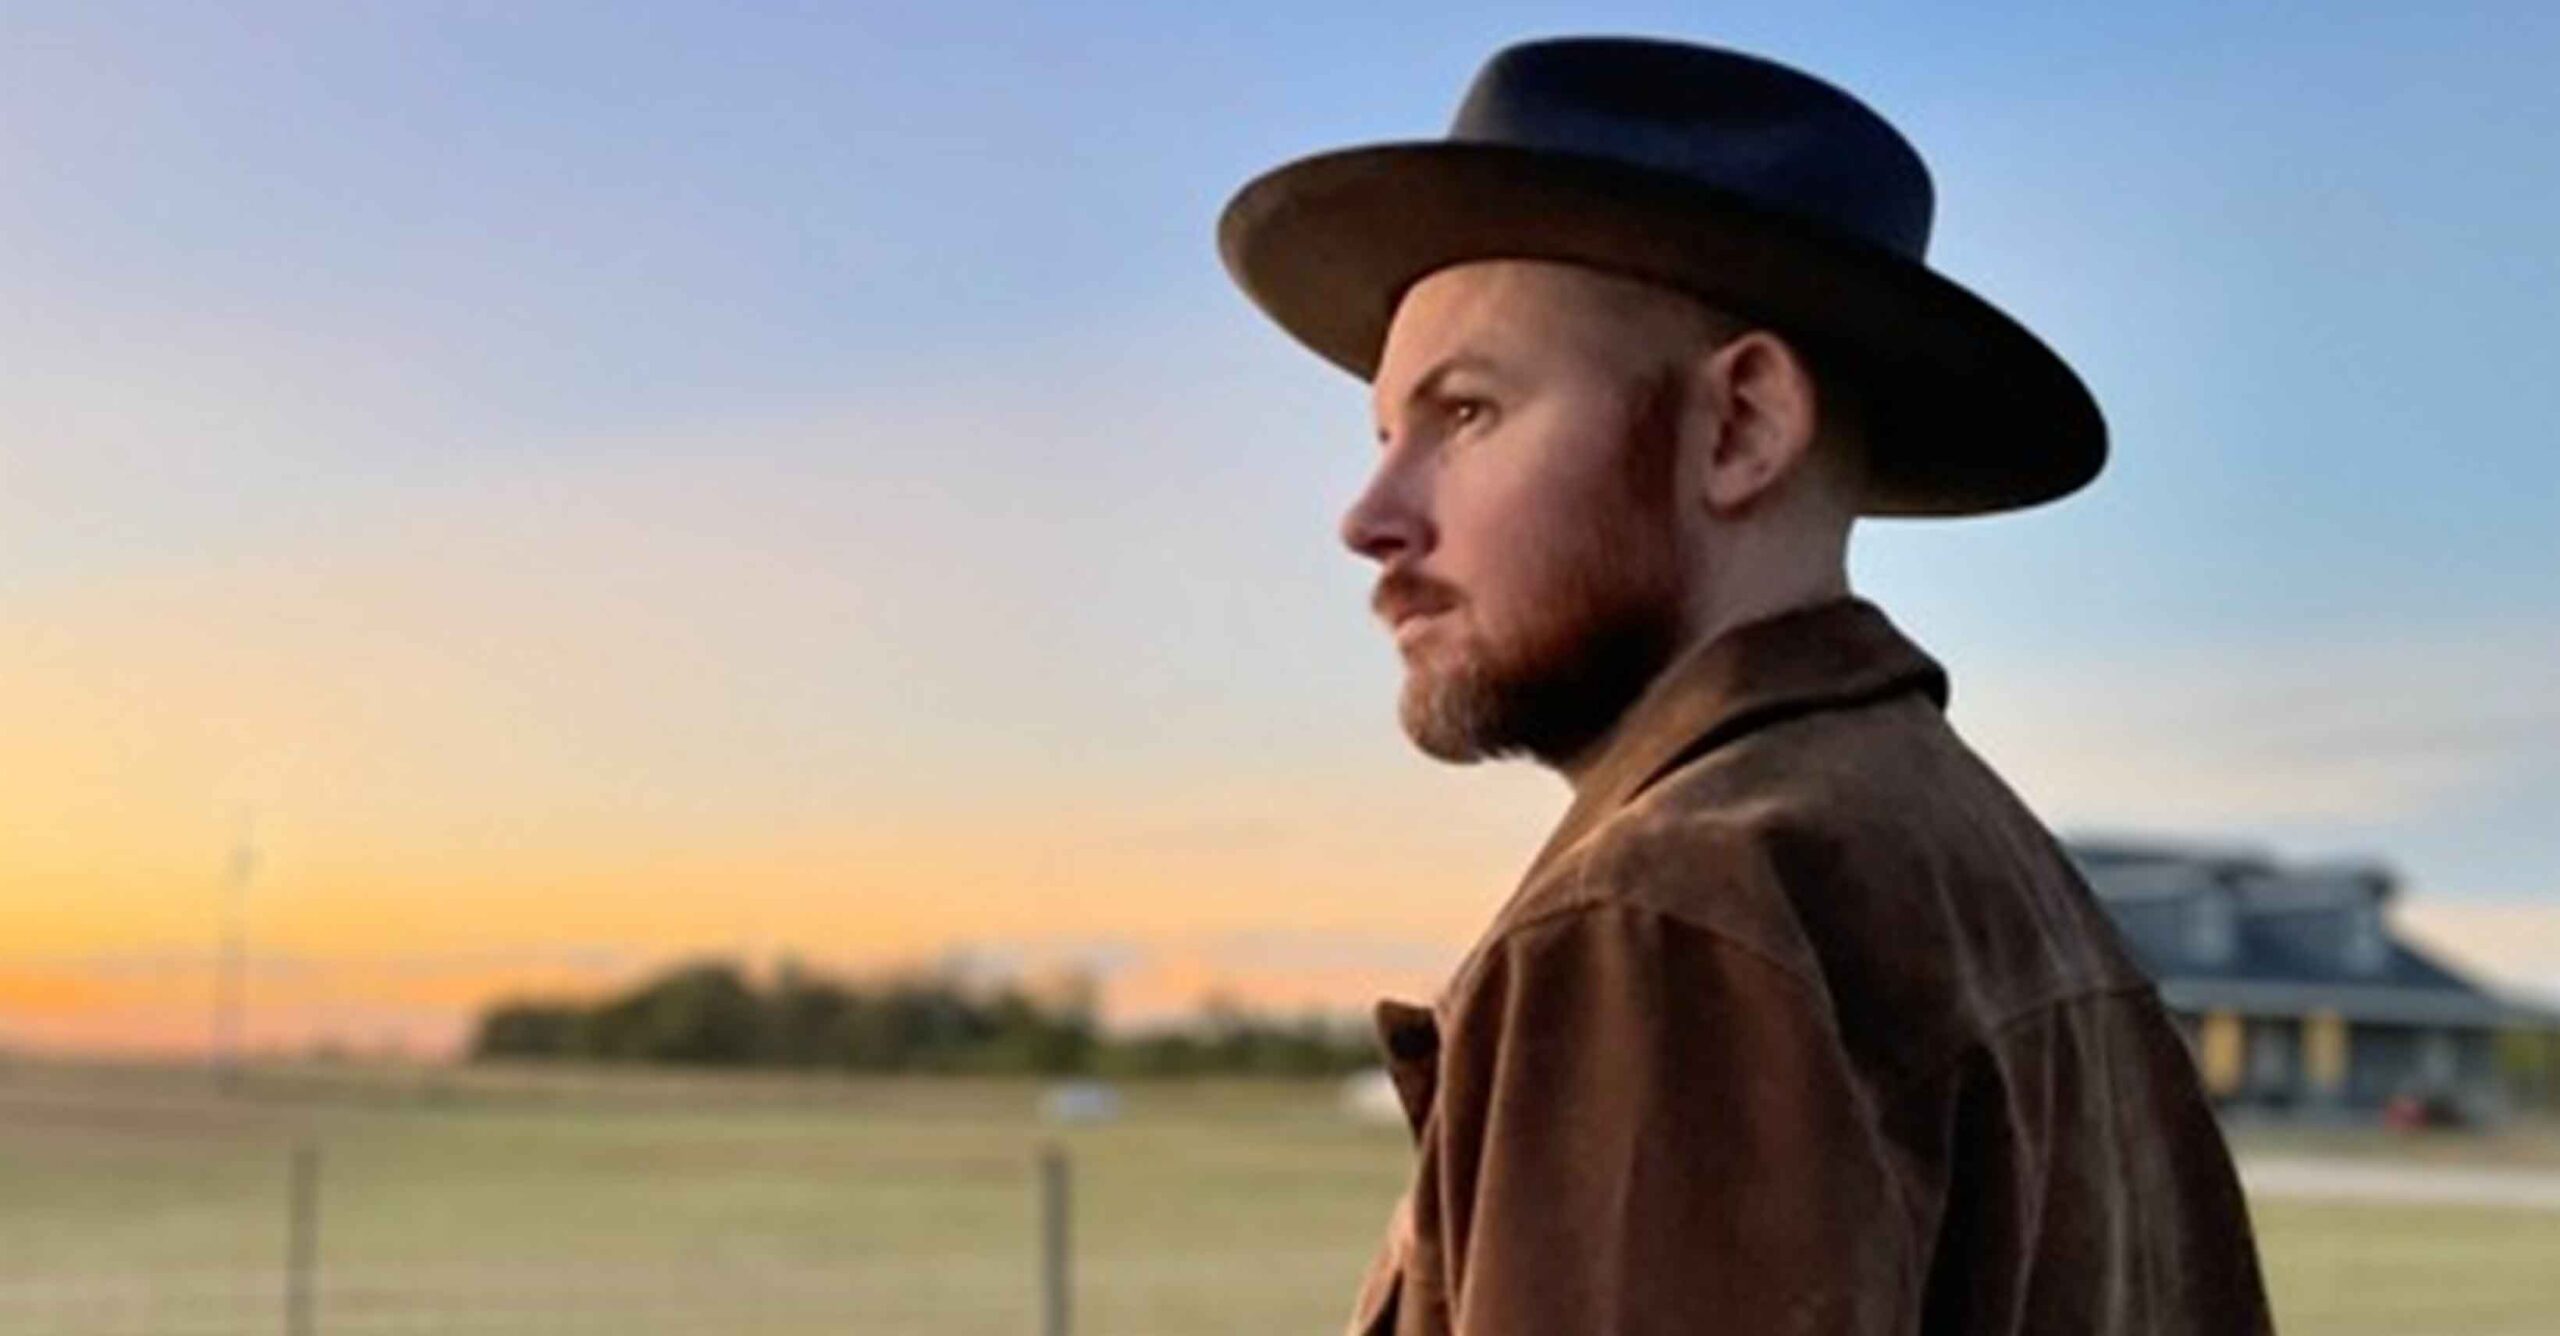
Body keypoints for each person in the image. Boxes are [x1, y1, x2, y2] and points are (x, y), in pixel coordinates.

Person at [1216, 36, 2275, 1335]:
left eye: (1469, 414)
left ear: (1743, 427)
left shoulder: (1671, 914)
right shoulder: (1998, 883)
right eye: (1387, 434)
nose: (1371, 517)